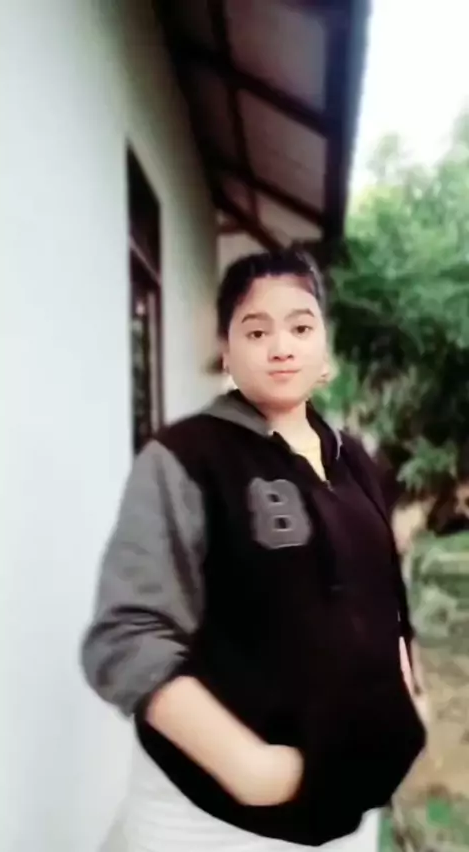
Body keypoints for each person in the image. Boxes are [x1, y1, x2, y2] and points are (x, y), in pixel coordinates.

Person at [81, 245, 426, 851]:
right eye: (257, 330)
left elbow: (383, 594)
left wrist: (409, 702)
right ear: (227, 350)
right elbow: (126, 636)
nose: (281, 346)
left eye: (300, 327)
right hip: (218, 823)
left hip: (348, 801)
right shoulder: (186, 459)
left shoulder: (354, 458)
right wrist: (251, 770)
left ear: (324, 346)